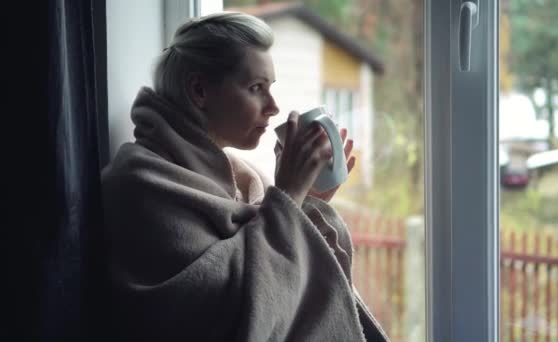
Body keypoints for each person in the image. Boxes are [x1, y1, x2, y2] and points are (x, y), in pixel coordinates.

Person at [101, 11, 388, 341]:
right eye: (256, 88)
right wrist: (289, 198)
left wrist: (307, 205)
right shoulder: (139, 184)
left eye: (271, 88)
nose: (273, 106)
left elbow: (276, 278)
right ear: (199, 90)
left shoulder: (244, 177)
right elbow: (227, 313)